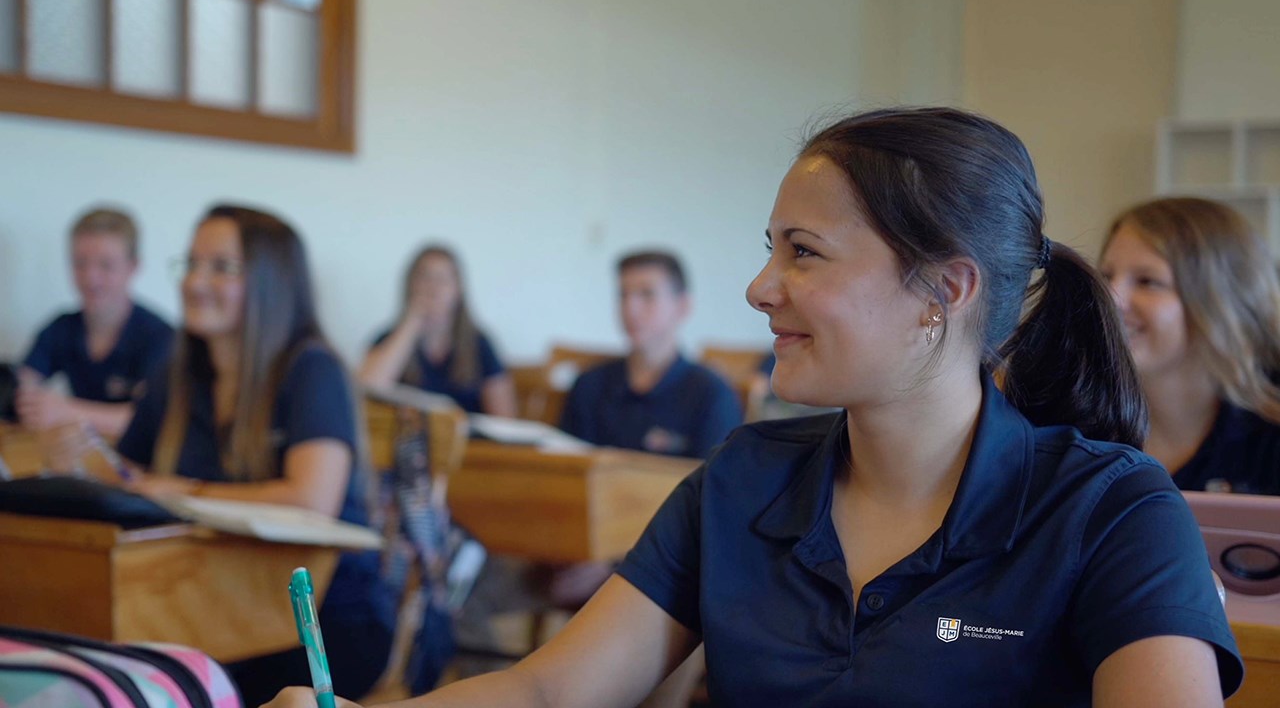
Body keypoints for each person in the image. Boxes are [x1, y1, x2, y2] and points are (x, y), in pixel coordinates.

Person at [264, 108, 1242, 708]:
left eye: (802, 253)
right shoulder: (742, 479)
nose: (760, 288)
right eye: (770, 249)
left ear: (943, 291)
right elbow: (550, 687)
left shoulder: (1114, 510)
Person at [110, 205, 394, 705]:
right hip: (214, 600)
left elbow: (313, 499)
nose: (194, 282)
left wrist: (185, 492)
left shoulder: (312, 369)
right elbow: (128, 475)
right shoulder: (177, 372)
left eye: (221, 267)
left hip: (319, 619)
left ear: (271, 283)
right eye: (192, 263)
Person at [1098, 197, 1280, 495]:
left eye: (1147, 281)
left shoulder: (1269, 433)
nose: (1109, 298)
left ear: (1220, 302)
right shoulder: (1072, 420)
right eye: (1106, 276)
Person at [559, 251, 743, 459]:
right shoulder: (589, 385)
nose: (630, 308)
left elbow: (716, 476)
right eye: (623, 295)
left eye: (647, 294)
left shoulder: (711, 394)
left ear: (682, 306)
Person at [17, 207, 173, 437]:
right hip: (82, 452)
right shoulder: (62, 328)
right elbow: (22, 384)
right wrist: (24, 397)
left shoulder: (160, 337)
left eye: (106, 265)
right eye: (80, 263)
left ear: (133, 267)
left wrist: (67, 411)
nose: (91, 278)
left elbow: (155, 419)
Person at [360, 245, 516, 416]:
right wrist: (412, 322)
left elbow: (504, 417)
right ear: (410, 285)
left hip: (467, 433)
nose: (433, 288)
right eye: (425, 278)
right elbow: (368, 390)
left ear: (458, 289)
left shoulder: (479, 344)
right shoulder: (388, 339)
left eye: (443, 279)